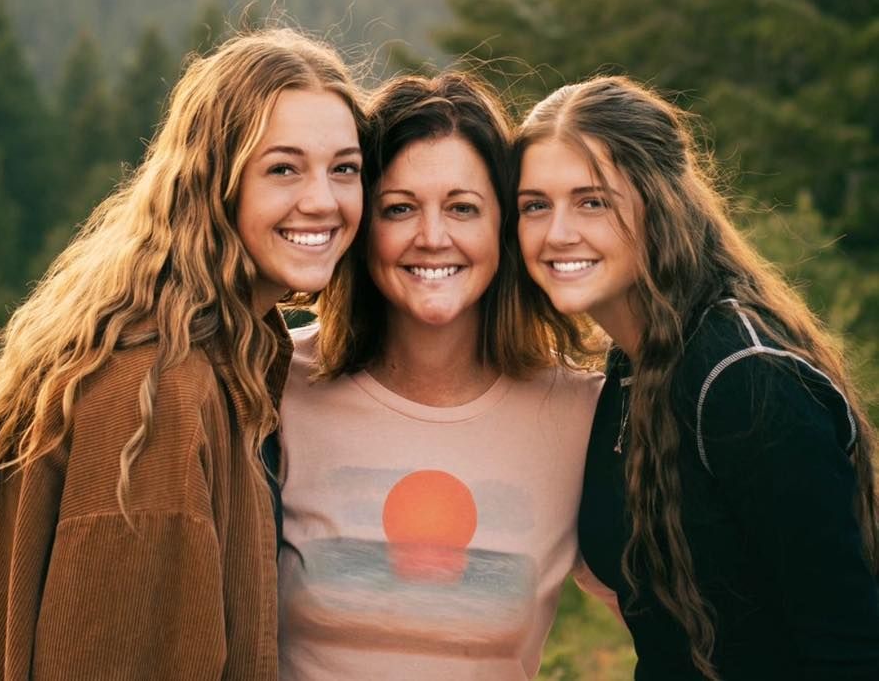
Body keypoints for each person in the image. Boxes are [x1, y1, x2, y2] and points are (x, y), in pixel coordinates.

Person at [0, 28, 366, 680]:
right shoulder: (157, 398)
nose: (322, 199)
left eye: (344, 168)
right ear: (214, 181)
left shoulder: (207, 347)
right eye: (282, 168)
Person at [515, 74, 879, 680]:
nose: (558, 233)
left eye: (593, 201)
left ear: (661, 203)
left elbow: (850, 649)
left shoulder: (744, 379)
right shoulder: (634, 367)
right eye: (535, 206)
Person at [276, 72, 602, 681]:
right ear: (361, 227)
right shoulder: (276, 385)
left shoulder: (582, 414)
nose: (432, 237)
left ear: (502, 230)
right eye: (399, 209)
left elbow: (683, 620)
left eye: (462, 208)